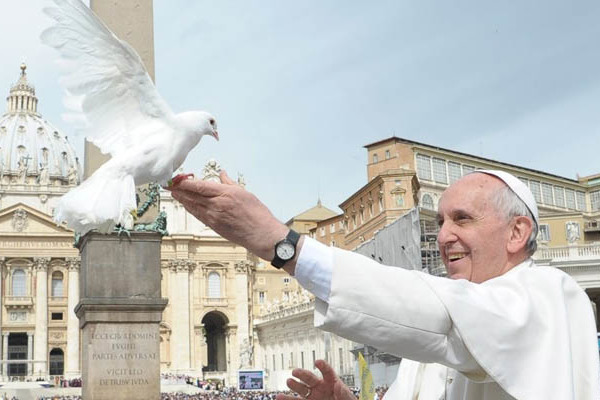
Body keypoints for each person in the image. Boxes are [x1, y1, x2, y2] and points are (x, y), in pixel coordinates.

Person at [167, 169, 599, 400]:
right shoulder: (429, 351)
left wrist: (283, 245)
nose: (444, 235)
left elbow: (448, 316)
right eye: (440, 221)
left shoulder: (552, 296)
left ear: (516, 232)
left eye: (462, 219)